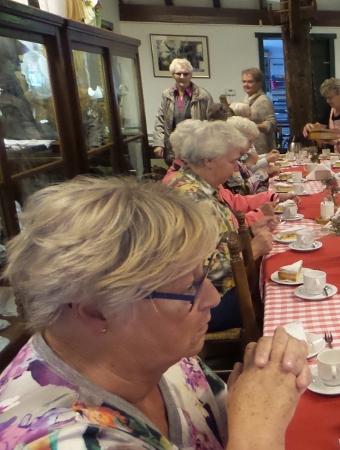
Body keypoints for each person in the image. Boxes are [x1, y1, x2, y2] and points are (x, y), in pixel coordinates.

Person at [0, 176, 310, 448]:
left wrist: (257, 395)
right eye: (190, 287)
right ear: (96, 310)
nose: (213, 298)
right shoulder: (56, 439)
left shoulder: (152, 351)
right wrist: (257, 435)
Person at [168, 120, 275, 332]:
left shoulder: (200, 186)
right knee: (275, 299)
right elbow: (208, 272)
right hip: (202, 303)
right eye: (233, 161)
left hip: (211, 291)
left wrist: (250, 232)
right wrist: (252, 249)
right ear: (209, 160)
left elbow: (217, 243)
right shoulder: (193, 199)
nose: (237, 168)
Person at [153, 58, 213, 165]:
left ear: (191, 75)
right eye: (178, 73)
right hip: (174, 149)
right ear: (173, 75)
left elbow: (211, 122)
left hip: (197, 149)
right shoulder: (166, 95)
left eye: (185, 74)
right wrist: (158, 143)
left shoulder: (203, 96)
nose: (182, 77)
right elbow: (160, 120)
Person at [240, 67, 278, 155]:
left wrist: (251, 126)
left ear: (259, 83)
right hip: (250, 149)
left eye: (250, 82)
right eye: (244, 81)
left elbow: (271, 124)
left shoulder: (263, 100)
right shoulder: (246, 99)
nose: (246, 84)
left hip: (262, 151)